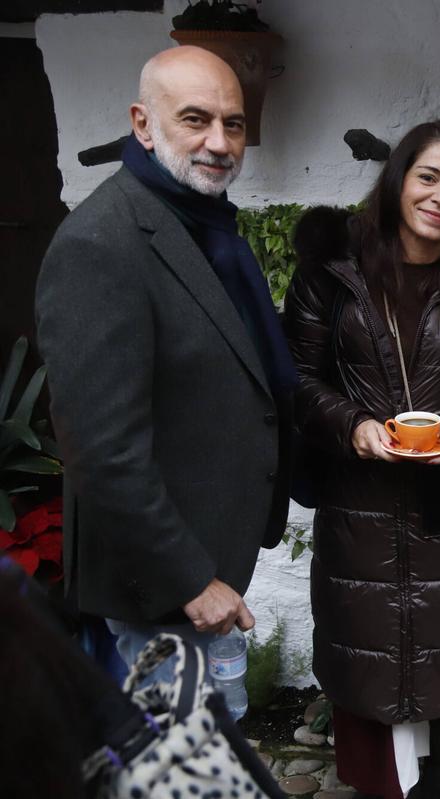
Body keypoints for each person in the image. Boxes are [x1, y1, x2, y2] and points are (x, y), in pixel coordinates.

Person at [35, 46, 291, 675]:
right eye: (195, 119)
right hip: (163, 590)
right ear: (143, 124)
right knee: (180, 741)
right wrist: (190, 580)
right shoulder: (101, 242)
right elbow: (101, 450)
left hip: (204, 567)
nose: (219, 143)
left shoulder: (199, 226)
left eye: (233, 124)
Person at [284, 119, 440, 799]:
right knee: (371, 659)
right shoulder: (333, 272)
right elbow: (295, 377)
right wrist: (351, 425)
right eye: (428, 176)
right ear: (398, 179)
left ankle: (432, 779)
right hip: (361, 505)